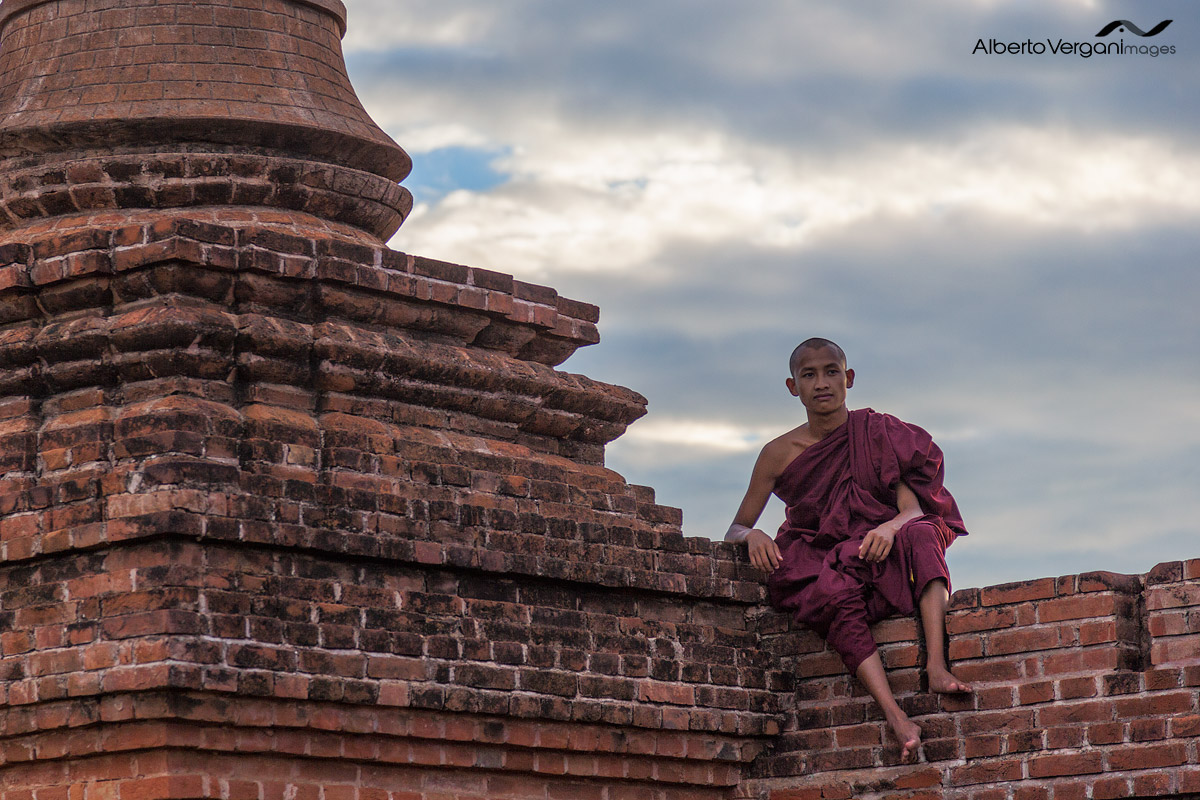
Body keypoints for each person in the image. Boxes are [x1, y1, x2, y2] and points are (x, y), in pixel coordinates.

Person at [726, 337, 970, 762]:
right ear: (792, 387)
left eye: (831, 371)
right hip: (824, 554)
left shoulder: (874, 434)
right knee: (832, 589)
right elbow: (736, 525)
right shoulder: (777, 454)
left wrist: (890, 528)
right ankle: (895, 716)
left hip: (878, 550)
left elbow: (911, 510)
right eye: (809, 375)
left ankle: (935, 665)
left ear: (848, 378)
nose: (822, 383)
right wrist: (753, 535)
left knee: (922, 534)